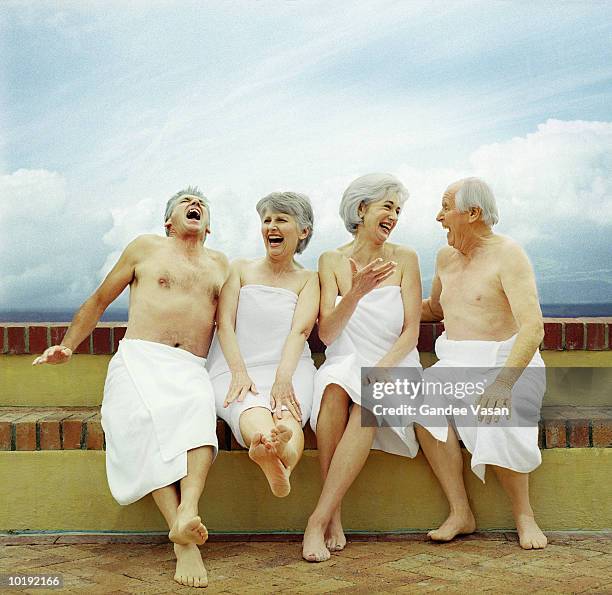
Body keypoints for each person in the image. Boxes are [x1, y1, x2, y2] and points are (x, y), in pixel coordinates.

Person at [32, 186, 229, 587]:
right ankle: (183, 539)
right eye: (185, 202)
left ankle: (187, 510)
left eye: (202, 204)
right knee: (139, 421)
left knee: (198, 412)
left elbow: (235, 322)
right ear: (168, 221)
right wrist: (68, 346)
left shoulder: (221, 265)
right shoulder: (145, 248)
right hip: (139, 359)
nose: (195, 204)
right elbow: (100, 299)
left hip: (190, 367)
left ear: (209, 228)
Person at [418, 177, 547, 550]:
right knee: (421, 399)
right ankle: (461, 512)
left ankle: (524, 515)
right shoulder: (445, 257)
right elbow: (436, 309)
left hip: (508, 363)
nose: (438, 216)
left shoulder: (509, 255)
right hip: (456, 362)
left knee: (497, 411)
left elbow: (532, 329)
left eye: (445, 207)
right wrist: (376, 303)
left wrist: (503, 384)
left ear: (472, 213)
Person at [302, 173, 423, 562]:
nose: (394, 216)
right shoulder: (331, 260)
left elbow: (411, 331)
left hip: (396, 361)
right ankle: (334, 512)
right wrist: (355, 292)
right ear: (361, 209)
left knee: (370, 399)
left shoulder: (406, 259)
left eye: (398, 210)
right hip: (347, 356)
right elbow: (327, 333)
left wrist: (384, 369)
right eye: (387, 206)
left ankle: (316, 519)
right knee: (334, 389)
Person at [207, 192, 318, 497]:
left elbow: (300, 331)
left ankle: (275, 454)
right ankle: (272, 447)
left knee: (288, 414)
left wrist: (284, 378)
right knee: (252, 405)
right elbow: (224, 324)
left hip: (291, 366)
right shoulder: (240, 269)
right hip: (234, 366)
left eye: (281, 220)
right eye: (267, 220)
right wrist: (240, 372)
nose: (271, 226)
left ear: (303, 231)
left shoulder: (309, 278)